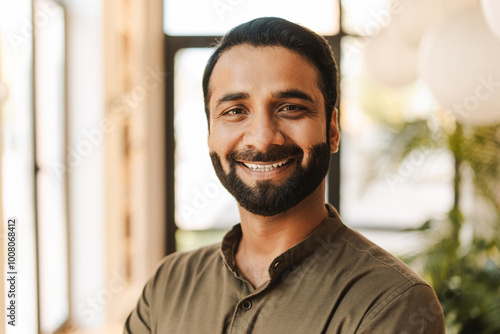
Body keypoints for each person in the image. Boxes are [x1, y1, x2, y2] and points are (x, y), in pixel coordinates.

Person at [124, 17, 446, 333]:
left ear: (332, 129)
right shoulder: (168, 284)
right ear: (210, 132)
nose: (263, 138)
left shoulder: (393, 304)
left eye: (290, 108)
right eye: (235, 111)